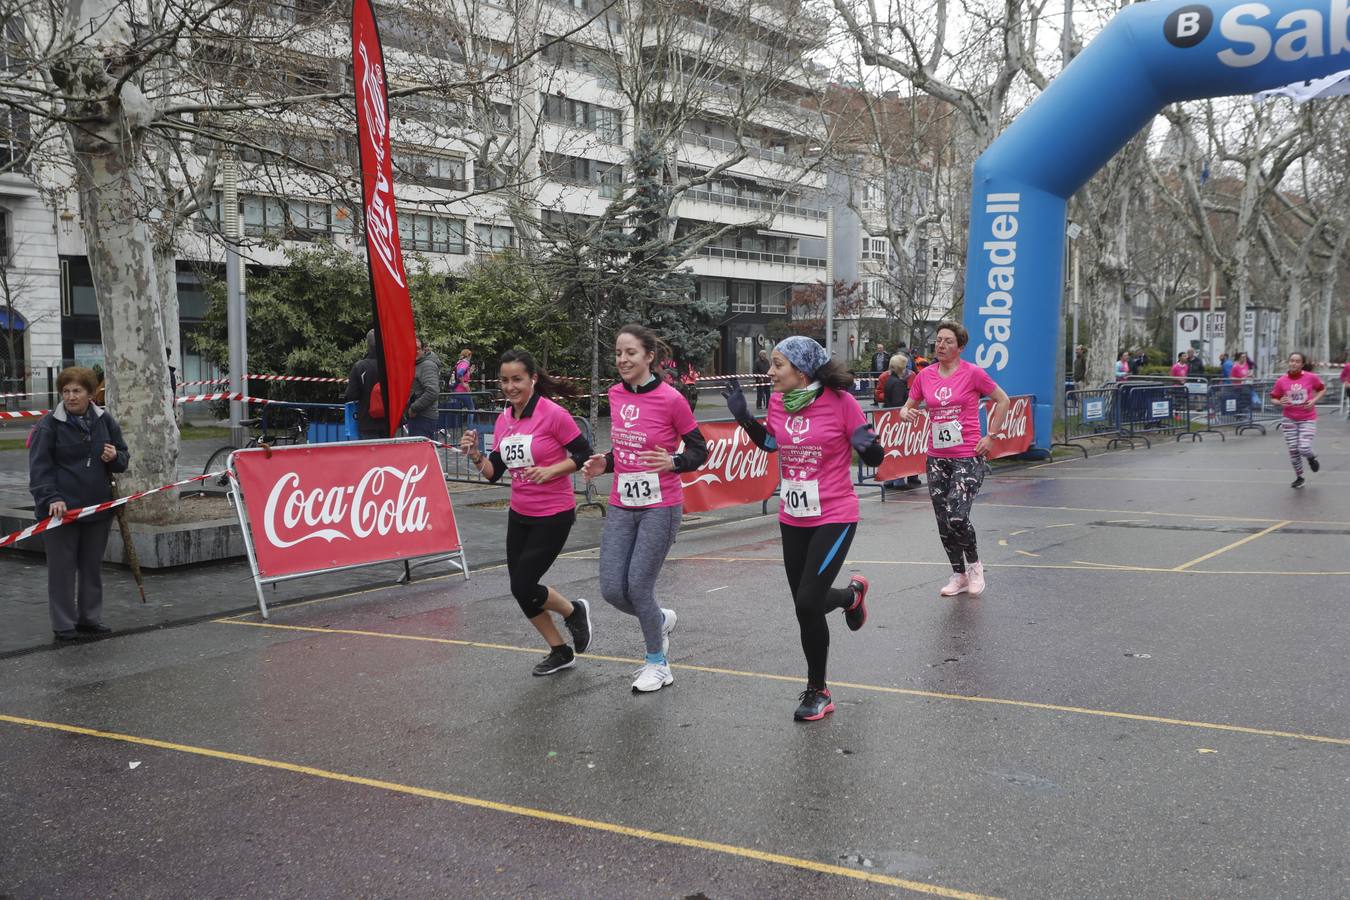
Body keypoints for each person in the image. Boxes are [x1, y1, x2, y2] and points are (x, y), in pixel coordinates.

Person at [720, 336, 883, 722]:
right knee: (804, 605)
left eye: (777, 364)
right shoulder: (779, 401)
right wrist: (744, 417)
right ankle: (850, 597)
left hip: (835, 514)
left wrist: (868, 445)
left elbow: (875, 455)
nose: (770, 371)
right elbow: (772, 443)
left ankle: (818, 691)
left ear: (801, 369)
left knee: (809, 602)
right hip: (793, 516)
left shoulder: (841, 403)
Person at [581, 324, 708, 694]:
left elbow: (699, 451)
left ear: (649, 357)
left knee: (638, 585)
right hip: (622, 503)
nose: (622, 360)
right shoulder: (616, 394)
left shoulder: (671, 399)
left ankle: (658, 662)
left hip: (661, 505)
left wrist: (674, 462)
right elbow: (625, 450)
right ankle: (659, 618)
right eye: (618, 353)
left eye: (630, 353)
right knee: (611, 590)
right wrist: (605, 462)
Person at [461, 349, 596, 675]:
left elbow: (583, 453)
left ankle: (573, 610)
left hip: (554, 513)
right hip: (520, 513)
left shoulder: (553, 414)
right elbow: (494, 472)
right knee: (520, 589)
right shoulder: (505, 419)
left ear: (532, 379)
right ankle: (560, 650)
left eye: (517, 379)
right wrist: (476, 455)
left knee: (523, 585)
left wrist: (552, 471)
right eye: (505, 380)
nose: (510, 387)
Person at [899, 321, 1010, 599]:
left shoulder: (973, 374)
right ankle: (958, 574)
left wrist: (992, 436)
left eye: (948, 341)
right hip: (937, 457)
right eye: (938, 340)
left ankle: (975, 566)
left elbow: (1003, 400)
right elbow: (907, 407)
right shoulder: (925, 376)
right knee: (943, 520)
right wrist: (905, 413)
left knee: (957, 515)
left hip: (967, 457)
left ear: (960, 347)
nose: (941, 345)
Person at [27, 366, 129, 641]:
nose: (71, 397)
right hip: (61, 512)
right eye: (66, 391)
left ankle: (90, 618)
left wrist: (114, 456)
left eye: (77, 391)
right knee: (62, 568)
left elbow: (123, 457)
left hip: (98, 507)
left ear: (91, 394)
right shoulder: (48, 425)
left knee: (91, 566)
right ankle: (63, 624)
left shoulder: (104, 420)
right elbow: (39, 469)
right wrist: (52, 498)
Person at [1271, 352, 1326, 489]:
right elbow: (1274, 398)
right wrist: (1279, 402)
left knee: (1304, 448)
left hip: (1307, 418)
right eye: (1291, 360)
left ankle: (1311, 457)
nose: (1293, 363)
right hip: (1289, 419)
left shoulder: (1311, 377)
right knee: (1293, 450)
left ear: (1302, 364)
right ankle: (1300, 477)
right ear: (1288, 362)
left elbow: (1322, 389)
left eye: (1297, 361)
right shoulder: (1281, 380)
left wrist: (1313, 400)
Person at [882, 352, 922, 492]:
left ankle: (890, 479)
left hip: (890, 420)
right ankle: (898, 481)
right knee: (899, 450)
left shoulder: (889, 381)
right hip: (898, 421)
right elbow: (899, 404)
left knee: (892, 449)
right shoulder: (898, 383)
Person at [344, 329, 388, 439]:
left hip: (367, 421)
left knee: (370, 455)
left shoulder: (360, 366)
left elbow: (351, 395)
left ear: (368, 345)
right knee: (389, 455)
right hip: (389, 421)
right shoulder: (391, 366)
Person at [404, 336, 442, 440]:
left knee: (420, 453)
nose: (414, 351)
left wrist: (414, 408)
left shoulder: (427, 366)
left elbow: (432, 392)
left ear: (423, 350)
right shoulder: (417, 365)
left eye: (417, 348)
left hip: (423, 418)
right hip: (419, 418)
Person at [448, 348, 476, 430]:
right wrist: (464, 384)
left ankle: (454, 429)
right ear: (469, 355)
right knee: (471, 409)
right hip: (463, 390)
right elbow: (460, 373)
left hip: (455, 390)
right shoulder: (465, 363)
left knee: (456, 410)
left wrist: (470, 372)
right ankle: (470, 428)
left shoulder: (459, 363)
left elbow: (462, 374)